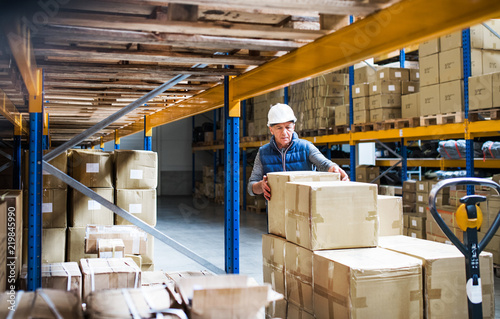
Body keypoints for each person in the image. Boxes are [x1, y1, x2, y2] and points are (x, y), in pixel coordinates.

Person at [248, 103, 349, 201]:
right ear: (271, 130)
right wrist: (261, 186)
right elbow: (251, 187)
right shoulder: (263, 152)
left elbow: (324, 164)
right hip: (276, 210)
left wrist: (335, 169)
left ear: (294, 127)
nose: (284, 133)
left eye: (288, 127)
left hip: (304, 208)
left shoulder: (306, 147)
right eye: (279, 128)